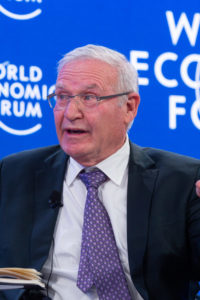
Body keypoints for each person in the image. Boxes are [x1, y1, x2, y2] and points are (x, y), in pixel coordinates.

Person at [0, 44, 200, 300]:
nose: (70, 113)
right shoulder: (14, 173)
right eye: (62, 97)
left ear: (129, 107)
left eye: (89, 98)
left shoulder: (182, 181)